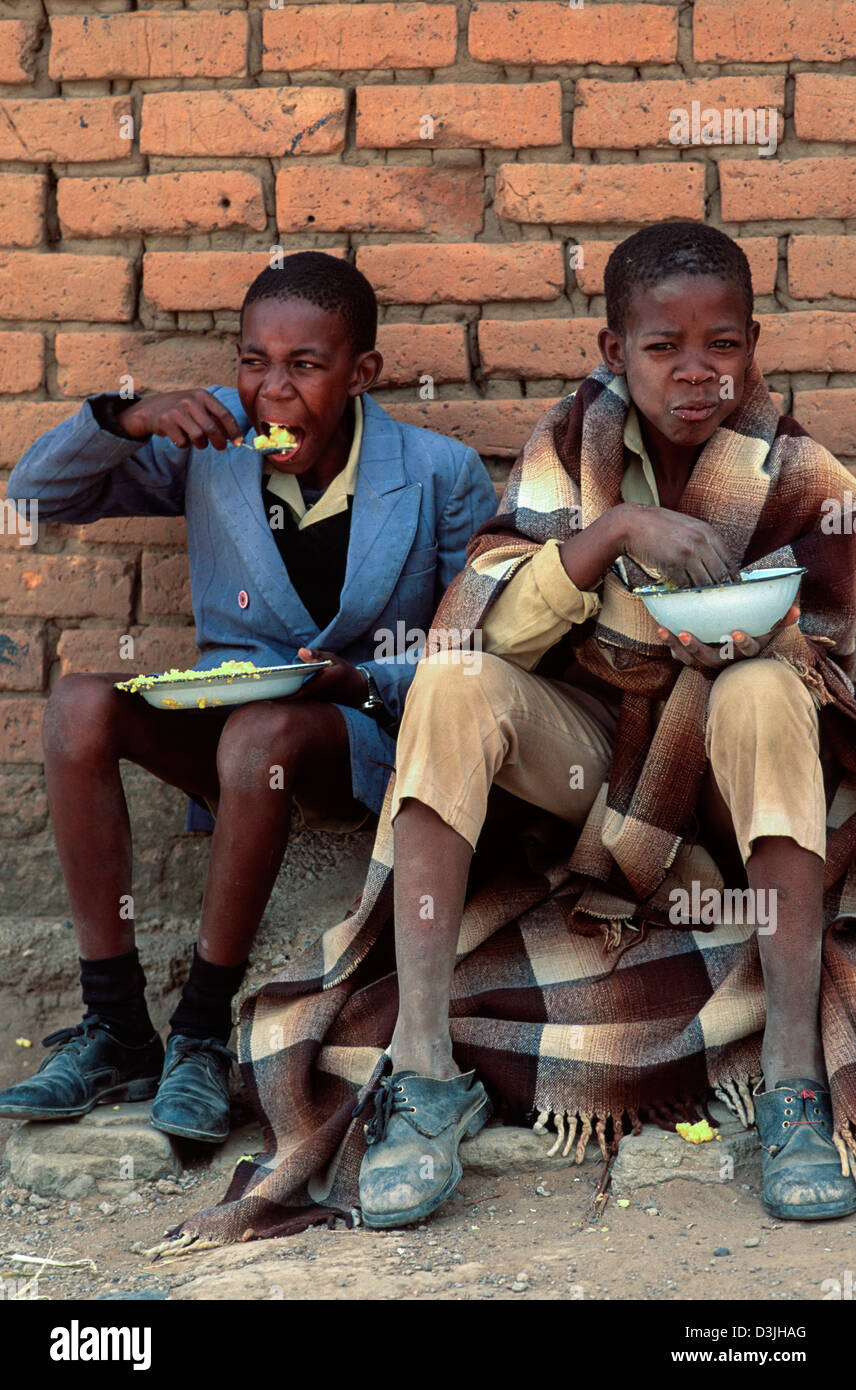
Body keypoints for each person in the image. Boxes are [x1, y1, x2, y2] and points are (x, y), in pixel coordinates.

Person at [357, 221, 856, 1228]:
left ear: (753, 345)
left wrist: (778, 643)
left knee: (759, 692)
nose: (695, 370)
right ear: (611, 352)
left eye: (721, 343)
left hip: (725, 795)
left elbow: (846, 656)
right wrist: (613, 535)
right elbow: (486, 622)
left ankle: (795, 1082)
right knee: (452, 685)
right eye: (663, 346)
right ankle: (421, 1070)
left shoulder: (802, 475)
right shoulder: (566, 451)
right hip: (589, 766)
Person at [0, 251, 497, 1145]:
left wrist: (364, 681)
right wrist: (125, 417)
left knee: (265, 729)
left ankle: (200, 1030)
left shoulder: (439, 473)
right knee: (79, 703)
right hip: (229, 736)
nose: (272, 391)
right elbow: (34, 497)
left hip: (361, 739)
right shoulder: (213, 452)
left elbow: (476, 655)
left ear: (361, 373)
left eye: (304, 366)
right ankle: (115, 1025)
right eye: (253, 363)